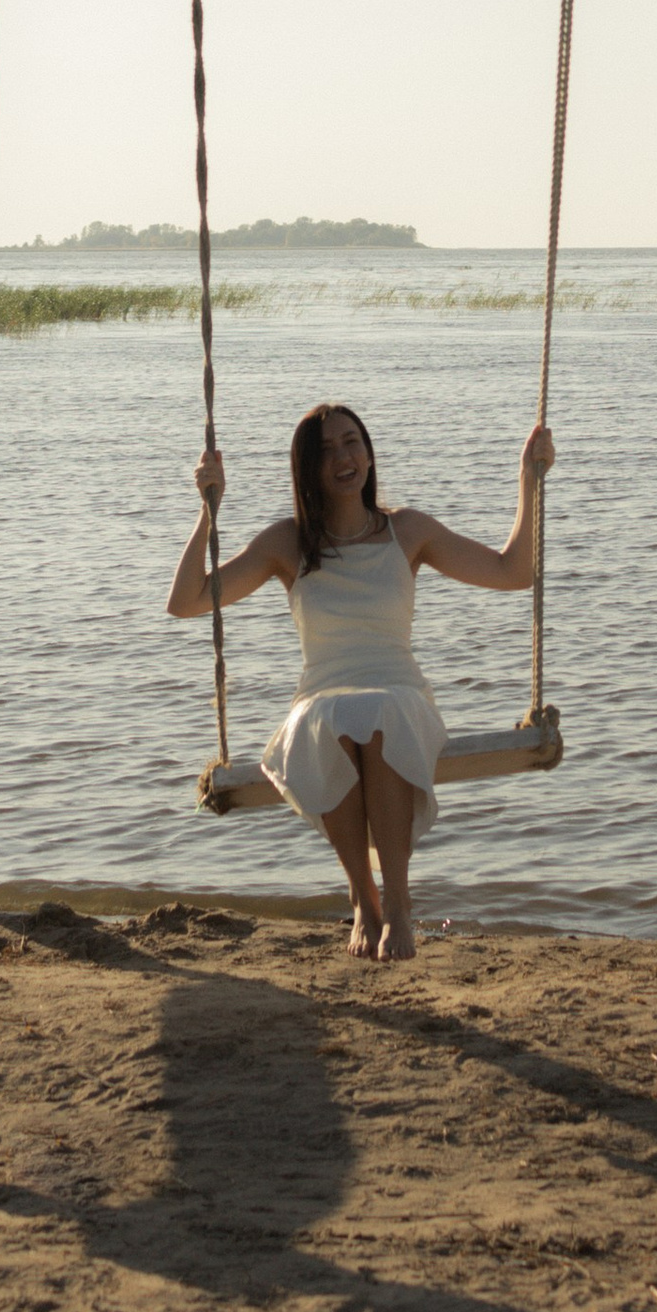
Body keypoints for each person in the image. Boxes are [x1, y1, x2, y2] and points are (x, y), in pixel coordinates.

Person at [168, 401, 553, 964]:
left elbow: (512, 572)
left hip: (400, 692)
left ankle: (395, 902)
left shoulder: (408, 531)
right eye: (326, 451)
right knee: (339, 717)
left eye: (352, 442)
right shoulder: (287, 543)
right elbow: (186, 602)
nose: (343, 457)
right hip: (321, 698)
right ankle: (365, 901)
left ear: (369, 453)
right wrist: (209, 513)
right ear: (308, 470)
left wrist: (530, 480)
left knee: (376, 712)